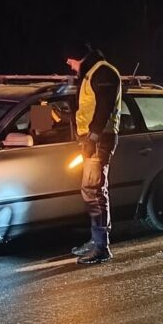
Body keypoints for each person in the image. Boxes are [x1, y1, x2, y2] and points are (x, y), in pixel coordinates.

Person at [65, 41, 123, 265]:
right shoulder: (92, 73)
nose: (69, 66)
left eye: (70, 61)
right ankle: (96, 240)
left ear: (78, 57)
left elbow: (104, 107)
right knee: (93, 190)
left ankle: (101, 247)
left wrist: (94, 136)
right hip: (93, 140)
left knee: (94, 190)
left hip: (100, 141)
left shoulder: (103, 72)